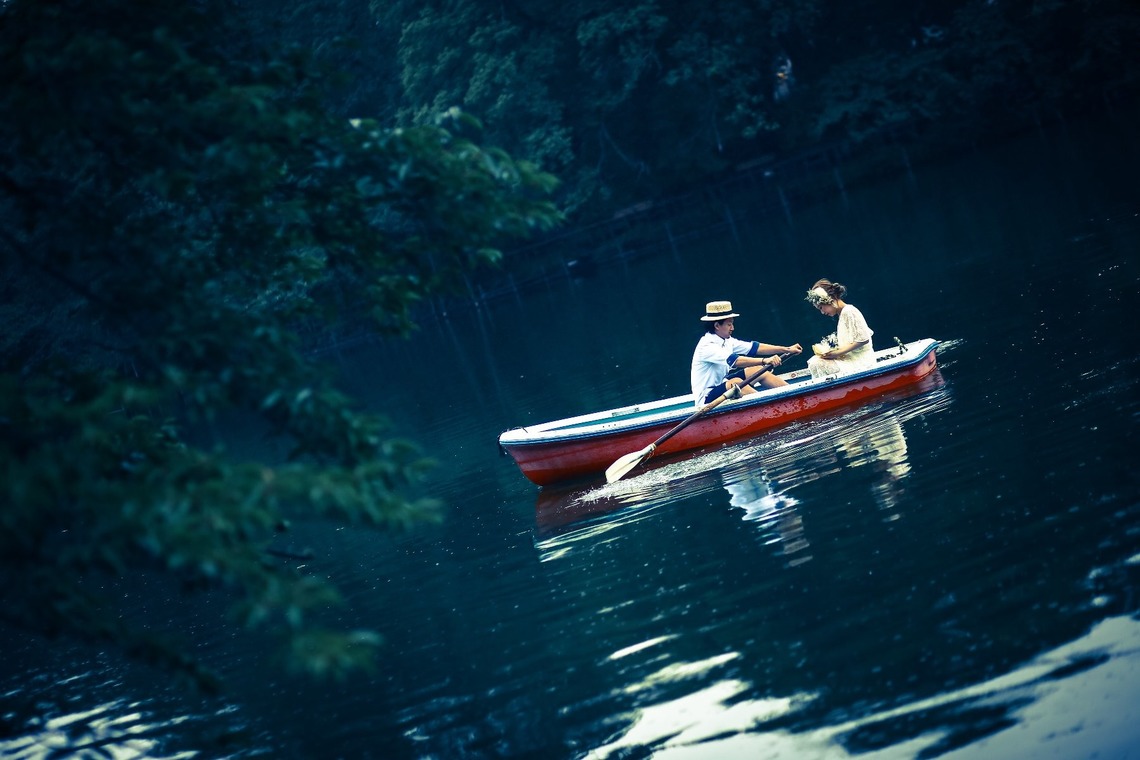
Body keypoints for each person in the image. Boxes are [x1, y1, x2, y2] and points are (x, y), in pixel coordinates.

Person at [690, 300, 802, 406]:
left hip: (722, 385)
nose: (732, 328)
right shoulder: (707, 346)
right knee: (736, 383)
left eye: (732, 324)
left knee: (758, 370)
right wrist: (764, 360)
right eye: (729, 324)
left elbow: (755, 348)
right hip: (707, 398)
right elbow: (736, 361)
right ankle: (769, 407)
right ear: (717, 326)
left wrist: (786, 349)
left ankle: (796, 397)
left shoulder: (727, 340)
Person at [804, 279, 875, 379]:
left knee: (817, 364)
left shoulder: (849, 311)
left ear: (830, 299)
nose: (822, 312)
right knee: (815, 361)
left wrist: (837, 353)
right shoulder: (842, 314)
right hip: (850, 359)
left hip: (861, 360)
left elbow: (863, 339)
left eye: (821, 307)